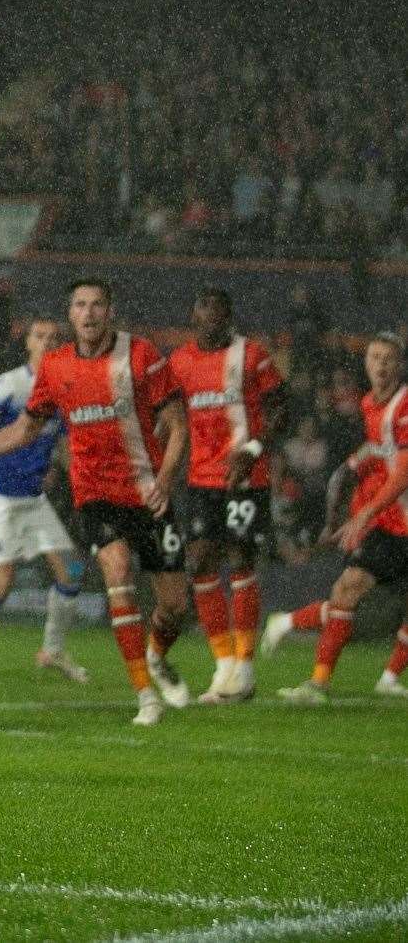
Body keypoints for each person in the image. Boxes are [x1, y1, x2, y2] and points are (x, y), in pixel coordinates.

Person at [0, 278, 192, 725]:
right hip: (94, 496)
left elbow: (177, 425)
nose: (89, 313)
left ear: (110, 311)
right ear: (71, 314)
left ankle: (155, 658)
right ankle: (146, 695)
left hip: (147, 494)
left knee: (174, 605)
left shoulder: (142, 356)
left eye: (97, 304)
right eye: (80, 305)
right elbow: (24, 430)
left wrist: (164, 478)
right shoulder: (55, 369)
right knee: (116, 574)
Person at [263, 334, 408, 704]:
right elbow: (380, 465)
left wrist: (361, 509)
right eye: (375, 357)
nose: (381, 365)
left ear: (400, 365)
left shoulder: (402, 405)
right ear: (366, 365)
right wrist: (352, 512)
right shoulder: (369, 405)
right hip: (390, 521)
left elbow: (399, 469)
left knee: (350, 594)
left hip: (386, 515)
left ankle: (388, 678)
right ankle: (317, 683)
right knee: (349, 589)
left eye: (389, 359)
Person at [0, 317, 89, 684]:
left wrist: (68, 472)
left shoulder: (64, 385)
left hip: (34, 498)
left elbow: (60, 442)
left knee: (71, 572)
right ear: (28, 342)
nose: (46, 342)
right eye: (39, 336)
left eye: (54, 337)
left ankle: (53, 650)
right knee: (1, 581)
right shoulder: (9, 385)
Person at [168, 289, 285, 703]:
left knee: (239, 559)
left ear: (229, 317)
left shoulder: (251, 356)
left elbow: (280, 408)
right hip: (200, 478)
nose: (210, 319)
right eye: (203, 311)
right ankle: (223, 668)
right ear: (193, 316)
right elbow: (169, 415)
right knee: (199, 562)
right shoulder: (180, 362)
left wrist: (253, 449)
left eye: (218, 312)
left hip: (245, 478)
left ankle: (245, 667)